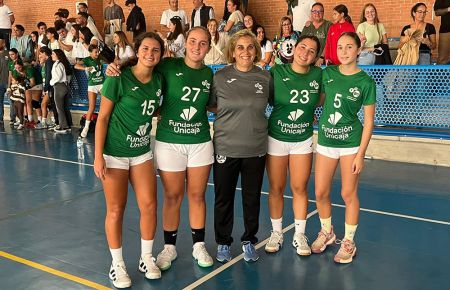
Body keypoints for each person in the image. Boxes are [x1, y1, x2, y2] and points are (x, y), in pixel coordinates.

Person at [106, 26, 216, 271]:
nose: (197, 47)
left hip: (199, 141)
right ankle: (169, 247)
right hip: (169, 141)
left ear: (209, 46)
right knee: (172, 196)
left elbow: (213, 105)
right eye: (193, 41)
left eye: (203, 43)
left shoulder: (209, 74)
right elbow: (141, 68)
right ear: (185, 43)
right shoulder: (167, 66)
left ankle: (198, 245)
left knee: (197, 195)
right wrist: (117, 66)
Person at [94, 32, 165, 288]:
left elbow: (155, 107)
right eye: (146, 48)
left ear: (161, 55)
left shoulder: (158, 80)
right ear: (138, 50)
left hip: (142, 153)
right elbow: (102, 119)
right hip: (114, 154)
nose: (150, 53)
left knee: (149, 206)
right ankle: (117, 264)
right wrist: (97, 156)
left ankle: (146, 257)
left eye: (156, 50)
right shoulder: (118, 79)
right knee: (116, 209)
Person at [209, 29, 272, 263]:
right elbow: (211, 105)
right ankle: (223, 242)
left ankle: (249, 240)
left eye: (250, 47)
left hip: (255, 148)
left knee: (251, 197)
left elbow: (277, 101)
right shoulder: (221, 77)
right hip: (226, 147)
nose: (245, 51)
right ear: (232, 52)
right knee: (223, 198)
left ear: (256, 50)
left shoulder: (265, 77)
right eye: (240, 47)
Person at [312, 32, 376, 264]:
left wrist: (361, 154)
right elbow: (318, 100)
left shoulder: (365, 81)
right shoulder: (327, 74)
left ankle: (349, 242)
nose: (344, 51)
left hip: (350, 143)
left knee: (348, 194)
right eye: (340, 47)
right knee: (320, 192)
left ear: (359, 50)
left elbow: (369, 121)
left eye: (350, 47)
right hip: (327, 141)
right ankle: (327, 231)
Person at [264, 35, 322, 256]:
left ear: (316, 57)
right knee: (276, 187)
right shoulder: (276, 72)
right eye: (302, 47)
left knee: (299, 187)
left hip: (302, 139)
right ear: (294, 48)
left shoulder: (318, 75)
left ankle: (299, 234)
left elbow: (320, 99)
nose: (305, 52)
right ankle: (277, 232)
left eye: (311, 50)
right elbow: (267, 99)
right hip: (276, 137)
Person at [75, 44, 105, 138]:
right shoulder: (87, 59)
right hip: (92, 85)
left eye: (98, 51)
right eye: (95, 52)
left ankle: (104, 126)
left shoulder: (100, 57)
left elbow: (110, 60)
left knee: (104, 106)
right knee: (91, 107)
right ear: (90, 52)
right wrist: (85, 68)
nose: (97, 53)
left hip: (102, 84)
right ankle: (86, 127)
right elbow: (76, 66)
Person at [49, 49, 72, 134]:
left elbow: (58, 77)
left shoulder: (57, 64)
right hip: (64, 86)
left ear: (57, 55)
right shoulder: (61, 64)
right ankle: (68, 125)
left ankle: (63, 126)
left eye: (53, 54)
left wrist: (51, 82)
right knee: (64, 107)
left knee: (59, 108)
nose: (52, 55)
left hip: (59, 86)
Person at [35, 46, 57, 130]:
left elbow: (48, 76)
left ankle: (44, 122)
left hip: (50, 87)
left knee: (43, 104)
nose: (39, 56)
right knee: (50, 105)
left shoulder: (49, 62)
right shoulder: (45, 63)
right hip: (48, 86)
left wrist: (46, 88)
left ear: (45, 53)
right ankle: (53, 121)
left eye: (40, 54)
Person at [0, 36, 8, 123]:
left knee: (12, 101)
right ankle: (0, 118)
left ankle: (13, 119)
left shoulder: (8, 53)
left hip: (8, 81)